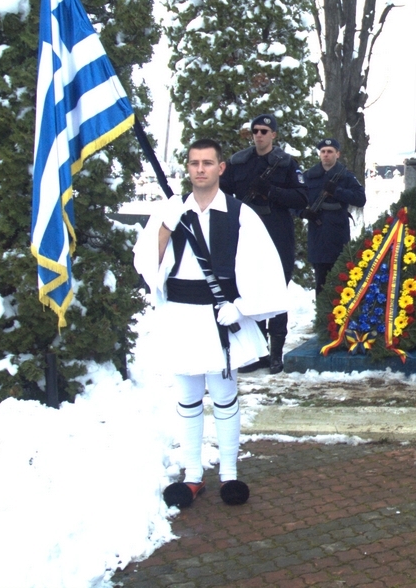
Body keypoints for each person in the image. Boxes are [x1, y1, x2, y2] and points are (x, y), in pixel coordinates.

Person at [134, 138, 288, 509]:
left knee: (223, 395)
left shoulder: (239, 214)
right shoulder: (171, 211)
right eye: (194, 163)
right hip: (181, 316)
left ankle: (229, 473)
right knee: (187, 398)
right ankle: (192, 474)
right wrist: (166, 227)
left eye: (207, 163)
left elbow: (264, 266)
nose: (200, 169)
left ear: (221, 168)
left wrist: (242, 307)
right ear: (187, 168)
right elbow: (147, 266)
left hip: (220, 315)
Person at [219, 114, 307, 373]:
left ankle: (276, 353)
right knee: (248, 289)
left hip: (277, 234)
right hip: (245, 234)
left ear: (274, 135)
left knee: (276, 290)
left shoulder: (287, 164)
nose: (259, 135)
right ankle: (257, 353)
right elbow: (221, 192)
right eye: (255, 131)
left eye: (264, 131)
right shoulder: (238, 162)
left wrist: (271, 191)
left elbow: (302, 198)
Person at [302, 138, 367, 293]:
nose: (326, 154)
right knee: (321, 283)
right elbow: (295, 199)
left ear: (337, 154)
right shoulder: (309, 176)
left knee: (341, 282)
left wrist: (337, 191)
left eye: (330, 151)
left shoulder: (346, 176)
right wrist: (302, 212)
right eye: (323, 151)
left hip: (338, 233)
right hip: (317, 234)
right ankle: (321, 309)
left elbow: (360, 199)